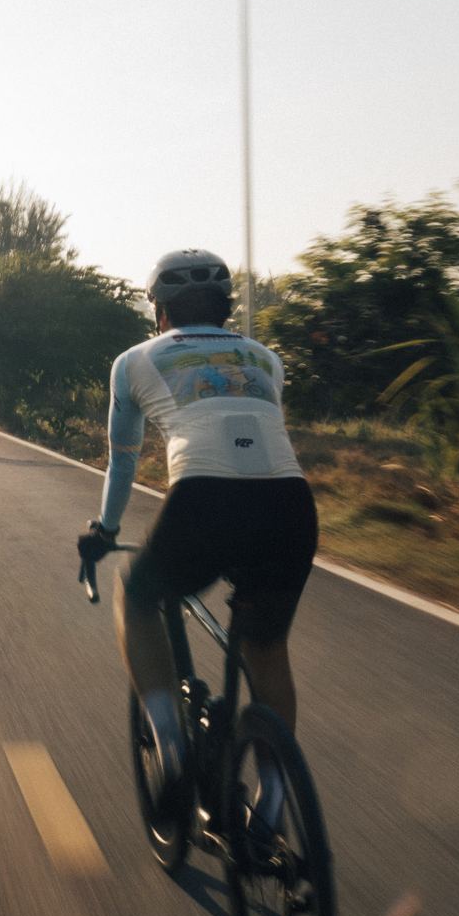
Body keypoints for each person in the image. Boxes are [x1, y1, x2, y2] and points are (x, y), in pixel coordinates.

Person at [77, 249, 317, 826]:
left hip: (204, 500)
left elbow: (124, 459)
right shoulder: (265, 358)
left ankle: (171, 749)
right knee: (266, 647)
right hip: (290, 504)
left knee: (136, 595)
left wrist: (106, 530)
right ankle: (272, 804)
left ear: (159, 311)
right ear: (226, 307)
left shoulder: (134, 361)